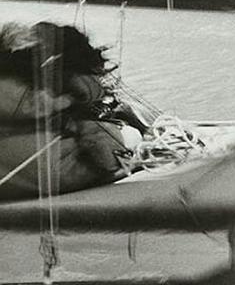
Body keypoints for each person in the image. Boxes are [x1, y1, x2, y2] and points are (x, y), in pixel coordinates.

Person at [0, 21, 144, 200]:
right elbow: (105, 160)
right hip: (52, 173)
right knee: (131, 136)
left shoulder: (14, 89)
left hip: (8, 177)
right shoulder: (70, 95)